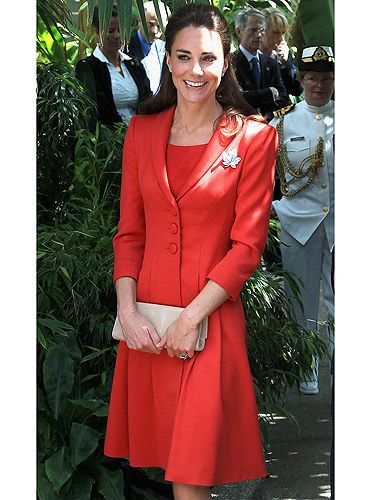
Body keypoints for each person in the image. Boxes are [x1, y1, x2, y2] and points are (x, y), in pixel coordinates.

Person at [104, 4, 278, 498]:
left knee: (193, 476)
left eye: (207, 58)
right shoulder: (142, 131)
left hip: (210, 323)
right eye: (183, 57)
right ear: (169, 62)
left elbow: (247, 246)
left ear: (225, 63)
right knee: (172, 472)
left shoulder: (253, 137)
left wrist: (190, 319)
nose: (194, 71)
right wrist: (127, 311)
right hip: (149, 326)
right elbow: (129, 234)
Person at [270, 46, 335, 395]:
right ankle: (305, 369)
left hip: (340, 224)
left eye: (326, 79)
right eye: (312, 78)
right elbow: (262, 173)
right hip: (298, 223)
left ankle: (343, 367)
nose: (319, 86)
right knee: (302, 302)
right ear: (302, 79)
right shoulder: (282, 121)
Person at [75, 6, 152, 127]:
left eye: (120, 30)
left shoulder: (134, 64)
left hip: (140, 135)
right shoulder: (89, 67)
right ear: (97, 31)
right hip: (109, 140)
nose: (117, 36)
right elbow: (93, 111)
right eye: (111, 31)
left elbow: (147, 100)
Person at [231, 8, 289, 121]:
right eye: (253, 30)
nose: (258, 35)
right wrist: (269, 93)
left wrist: (265, 114)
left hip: (269, 124)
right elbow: (236, 99)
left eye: (262, 30)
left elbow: (283, 98)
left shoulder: (270, 62)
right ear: (239, 31)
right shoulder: (230, 62)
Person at [126, 1, 168, 94]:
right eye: (151, 24)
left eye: (159, 26)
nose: (155, 31)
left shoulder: (165, 48)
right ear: (140, 19)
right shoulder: (125, 48)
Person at [262, 8, 303, 97]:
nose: (281, 38)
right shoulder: (250, 54)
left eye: (283, 33)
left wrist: (285, 64)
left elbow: (297, 90)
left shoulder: (283, 53)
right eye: (275, 33)